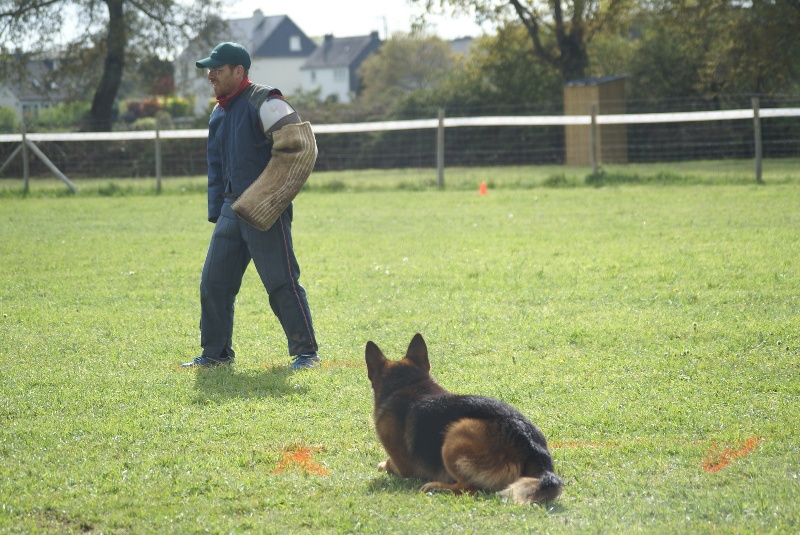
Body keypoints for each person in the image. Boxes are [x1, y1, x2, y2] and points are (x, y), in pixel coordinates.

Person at [182, 42, 320, 370]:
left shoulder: (267, 101)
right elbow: (216, 165)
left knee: (281, 282)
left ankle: (307, 354)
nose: (210, 75)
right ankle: (216, 356)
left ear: (239, 71)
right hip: (231, 211)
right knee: (213, 284)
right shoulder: (219, 112)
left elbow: (299, 147)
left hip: (264, 212)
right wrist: (218, 210)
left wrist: (267, 199)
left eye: (217, 69)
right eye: (209, 69)